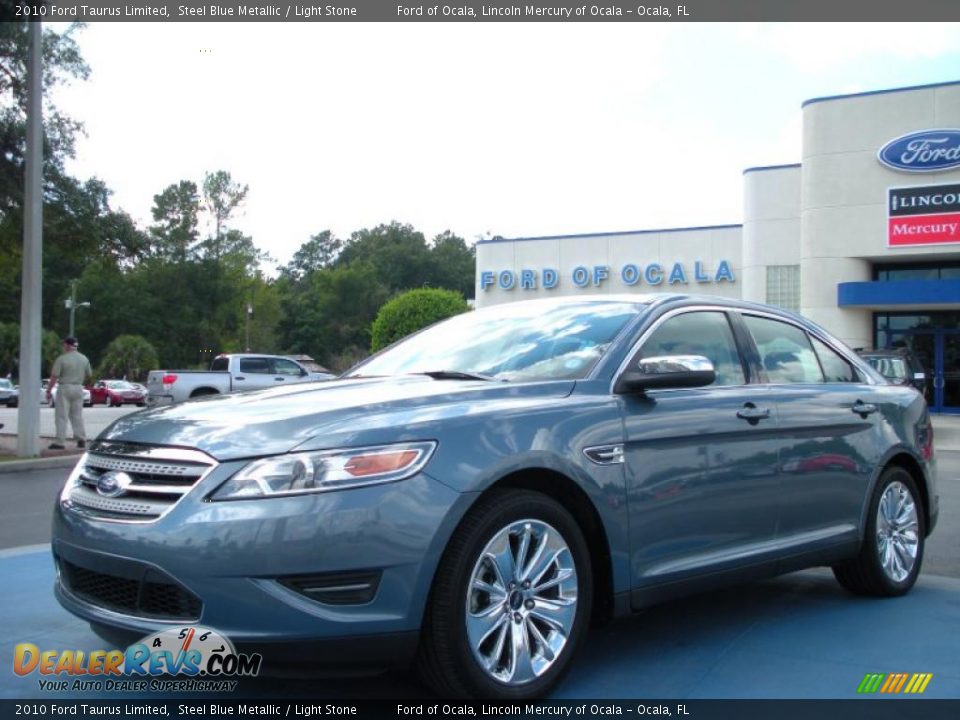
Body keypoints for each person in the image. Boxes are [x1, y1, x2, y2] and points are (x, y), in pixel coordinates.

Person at [47, 336, 93, 450]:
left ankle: (60, 442)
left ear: (68, 345)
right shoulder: (84, 358)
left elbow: (54, 376)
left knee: (61, 416)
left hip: (65, 387)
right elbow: (90, 375)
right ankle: (81, 439)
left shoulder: (62, 359)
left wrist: (49, 390)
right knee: (77, 415)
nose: (63, 346)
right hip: (78, 388)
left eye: (64, 344)